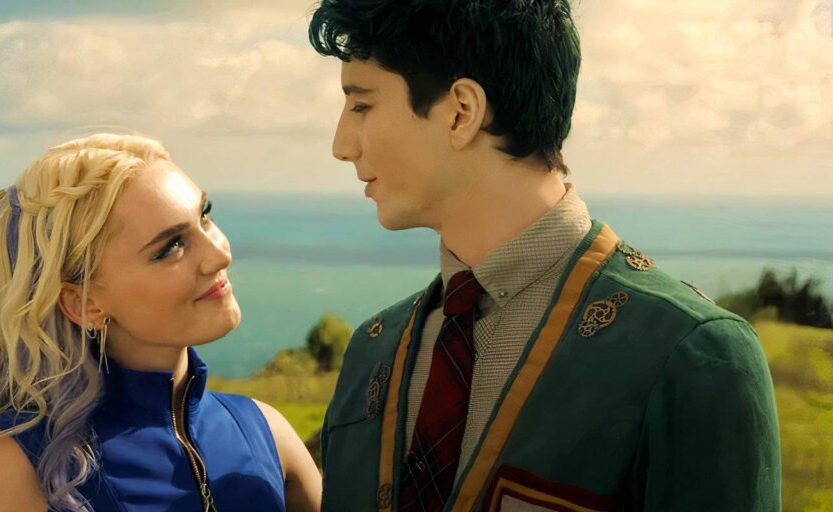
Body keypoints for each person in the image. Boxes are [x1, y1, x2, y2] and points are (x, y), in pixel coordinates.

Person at [307, 1, 781, 511]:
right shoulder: (373, 350)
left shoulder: (690, 355)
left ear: (461, 111)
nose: (341, 146)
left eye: (361, 106)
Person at [0, 134, 321, 511]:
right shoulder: (15, 468)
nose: (219, 255)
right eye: (171, 247)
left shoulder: (266, 433)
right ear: (84, 303)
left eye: (204, 216)